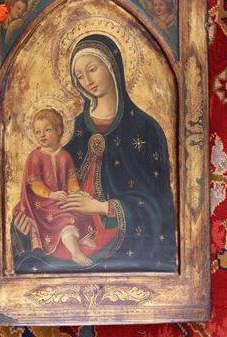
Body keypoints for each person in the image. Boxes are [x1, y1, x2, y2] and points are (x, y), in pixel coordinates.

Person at [12, 34, 177, 273]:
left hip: (123, 243)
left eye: (92, 69)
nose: (87, 81)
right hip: (70, 231)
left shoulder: (144, 128)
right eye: (79, 76)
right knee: (31, 265)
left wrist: (101, 208)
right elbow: (48, 186)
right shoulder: (73, 129)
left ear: (112, 67)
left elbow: (158, 204)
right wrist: (27, 218)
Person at [12, 108, 97, 266]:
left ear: (59, 130)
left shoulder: (65, 156)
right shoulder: (35, 157)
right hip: (42, 203)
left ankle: (81, 238)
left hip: (61, 197)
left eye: (47, 130)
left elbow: (71, 180)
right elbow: (35, 184)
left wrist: (78, 193)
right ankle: (75, 252)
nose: (42, 135)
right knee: (64, 218)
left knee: (79, 209)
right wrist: (52, 195)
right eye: (38, 132)